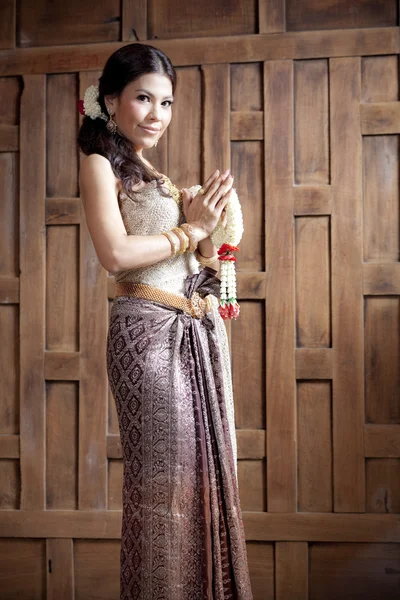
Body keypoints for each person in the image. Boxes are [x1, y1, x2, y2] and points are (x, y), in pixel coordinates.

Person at [77, 42, 253, 600]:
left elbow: (182, 259)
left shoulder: (150, 169)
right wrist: (192, 231)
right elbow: (115, 254)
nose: (157, 114)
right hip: (148, 337)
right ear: (110, 99)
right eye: (144, 98)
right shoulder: (99, 164)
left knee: (200, 481)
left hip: (189, 330)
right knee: (164, 487)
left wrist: (211, 247)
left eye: (167, 102)